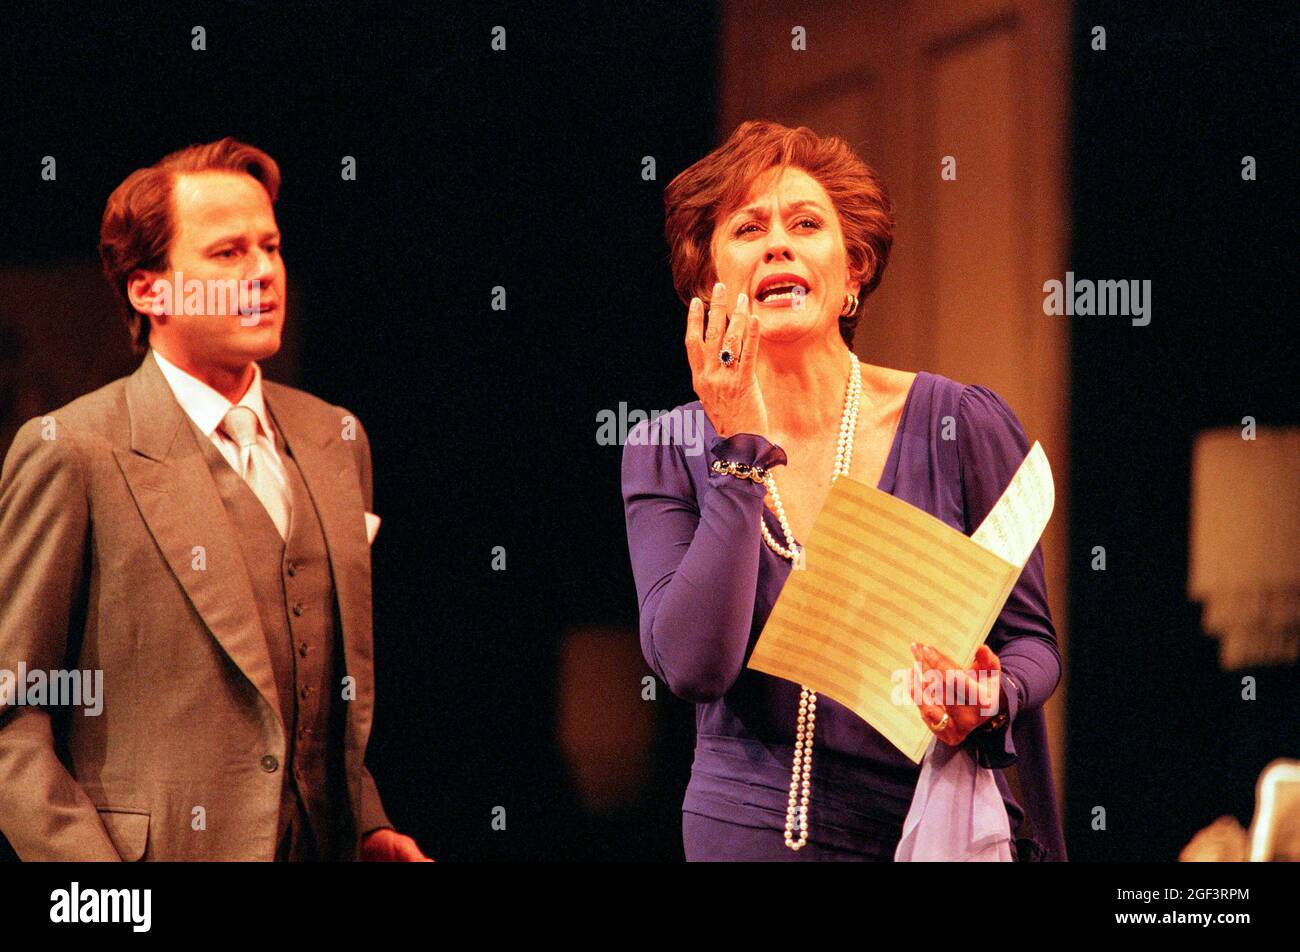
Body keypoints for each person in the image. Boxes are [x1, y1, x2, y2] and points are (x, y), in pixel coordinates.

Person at [621, 120, 1066, 861]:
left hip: (919, 830)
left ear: (853, 270)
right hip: (740, 837)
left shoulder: (960, 424)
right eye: (748, 227)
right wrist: (738, 451)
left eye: (805, 223)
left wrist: (988, 697)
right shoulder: (665, 447)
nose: (778, 243)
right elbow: (696, 666)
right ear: (708, 281)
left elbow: (1031, 643)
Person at [0, 138, 429, 861]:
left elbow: (316, 699)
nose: (264, 273)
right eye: (228, 254)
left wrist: (367, 825)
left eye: (271, 246)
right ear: (148, 289)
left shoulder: (335, 438)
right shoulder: (72, 450)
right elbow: (13, 715)